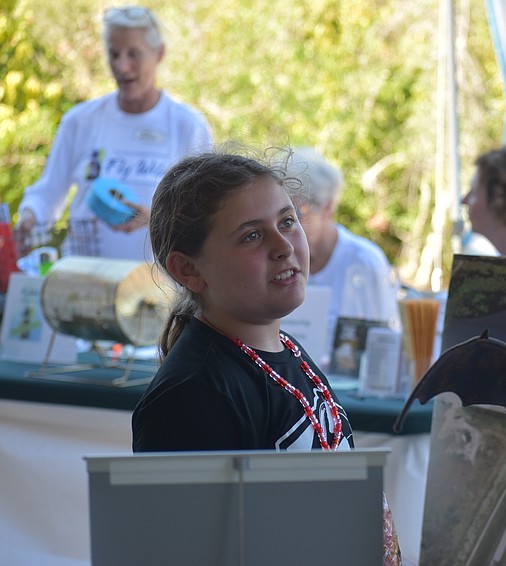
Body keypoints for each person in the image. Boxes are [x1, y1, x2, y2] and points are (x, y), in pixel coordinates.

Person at [131, 151, 401, 564]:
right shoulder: (192, 397)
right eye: (251, 236)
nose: (283, 246)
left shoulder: (287, 349)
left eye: (288, 221)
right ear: (188, 270)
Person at [14, 5, 212, 261]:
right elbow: (47, 193)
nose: (122, 66)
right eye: (114, 54)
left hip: (154, 288)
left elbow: (205, 215)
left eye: (134, 54)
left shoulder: (188, 126)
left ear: (159, 53)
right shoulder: (80, 120)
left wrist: (152, 218)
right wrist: (29, 218)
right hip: (81, 280)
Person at [286, 148, 399, 358]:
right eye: (283, 218)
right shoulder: (279, 257)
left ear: (327, 208)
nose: (289, 228)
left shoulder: (364, 262)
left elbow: (384, 345)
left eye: (297, 215)